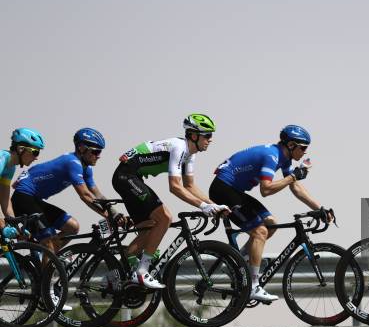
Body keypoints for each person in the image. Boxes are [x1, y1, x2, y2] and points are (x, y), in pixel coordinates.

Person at [209, 125, 331, 302]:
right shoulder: (272, 156)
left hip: (235, 190)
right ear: (290, 145)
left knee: (270, 224)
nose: (305, 152)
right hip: (223, 190)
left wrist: (319, 208)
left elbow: (295, 187)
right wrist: (293, 177)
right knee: (260, 231)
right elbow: (265, 190)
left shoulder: (284, 158)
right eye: (303, 147)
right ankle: (253, 286)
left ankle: (238, 263)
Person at [112, 114, 228, 289]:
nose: (210, 140)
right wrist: (203, 206)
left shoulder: (191, 154)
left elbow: (189, 186)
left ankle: (113, 276)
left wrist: (213, 205)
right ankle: (142, 272)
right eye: (207, 135)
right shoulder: (179, 147)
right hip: (126, 176)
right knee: (165, 217)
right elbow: (175, 187)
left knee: (150, 227)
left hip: (132, 177)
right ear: (194, 135)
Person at [12, 128, 113, 253]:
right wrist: (107, 216)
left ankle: (49, 259)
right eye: (96, 151)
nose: (99, 156)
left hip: (35, 200)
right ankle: (48, 266)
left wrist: (115, 213)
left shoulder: (86, 168)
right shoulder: (72, 162)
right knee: (49, 238)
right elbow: (85, 195)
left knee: (72, 227)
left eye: (100, 152)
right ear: (81, 148)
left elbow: (97, 194)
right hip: (23, 198)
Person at [0, 128, 45, 230]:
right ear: (21, 149)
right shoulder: (1, 159)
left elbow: (4, 199)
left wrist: (14, 224)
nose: (36, 157)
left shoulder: (10, 166)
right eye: (35, 152)